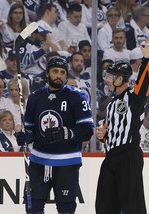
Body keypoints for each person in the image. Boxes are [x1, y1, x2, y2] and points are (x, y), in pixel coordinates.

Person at [19, 56, 94, 213]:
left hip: (67, 162)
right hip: (39, 161)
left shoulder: (78, 97)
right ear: (47, 73)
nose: (59, 76)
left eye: (62, 72)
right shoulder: (34, 98)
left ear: (66, 75)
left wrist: (66, 132)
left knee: (66, 209)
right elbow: (31, 129)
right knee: (32, 208)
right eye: (55, 71)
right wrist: (26, 136)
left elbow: (87, 130)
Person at [95, 37, 149, 214]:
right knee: (104, 204)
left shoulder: (134, 97)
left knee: (132, 205)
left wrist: (147, 59)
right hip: (111, 156)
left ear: (120, 78)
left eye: (110, 76)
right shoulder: (112, 103)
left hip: (129, 155)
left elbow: (145, 83)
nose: (107, 80)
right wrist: (104, 135)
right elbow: (112, 131)